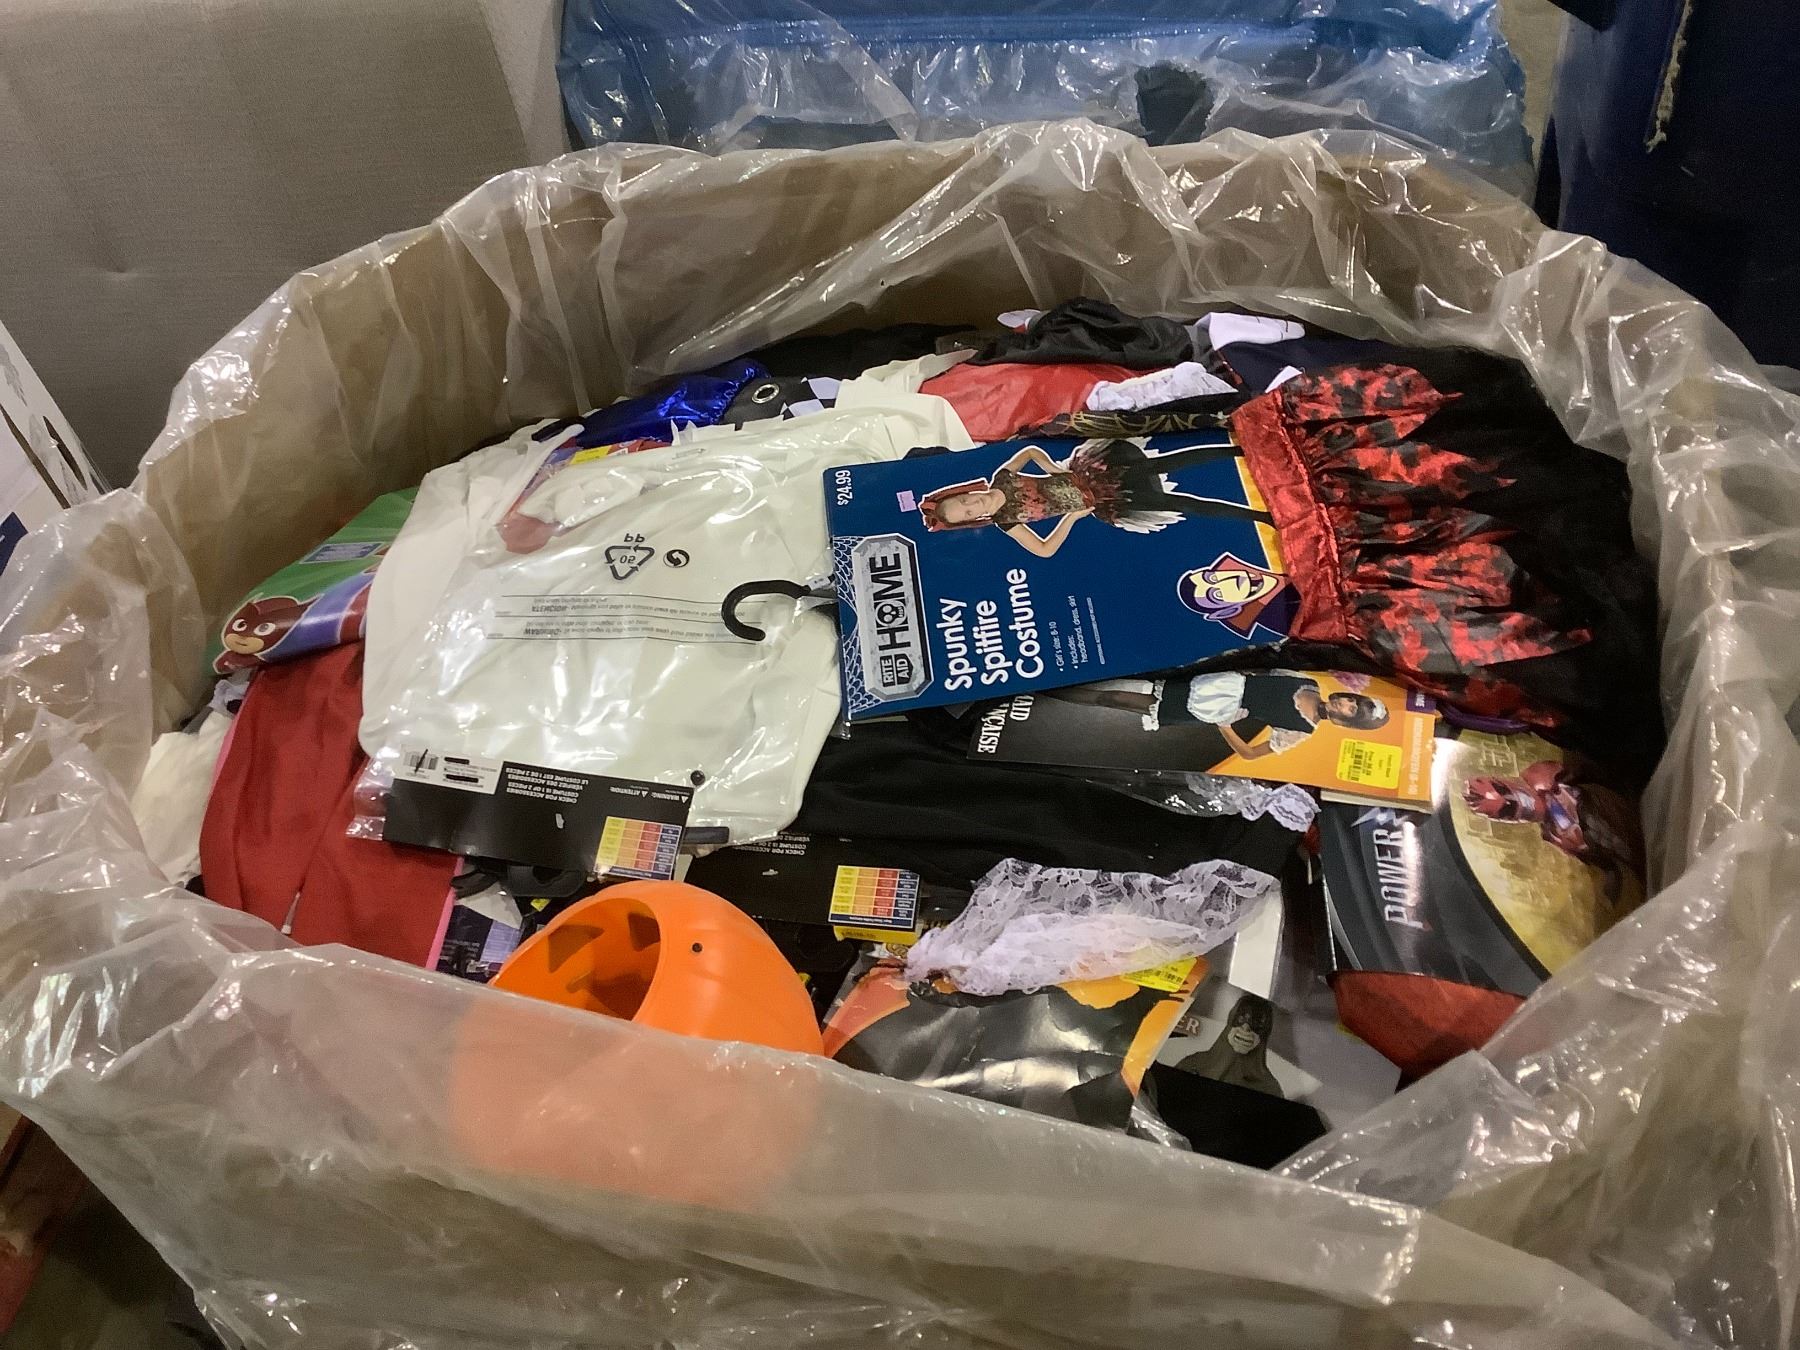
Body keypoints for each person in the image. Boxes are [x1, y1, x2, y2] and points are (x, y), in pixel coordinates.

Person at [918, 437, 1270, 558]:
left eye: (964, 501)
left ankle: (1236, 449)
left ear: (966, 492)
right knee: (1180, 504)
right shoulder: (1006, 522)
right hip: (1102, 502)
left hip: (1095, 474)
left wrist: (1051, 468)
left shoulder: (1002, 476)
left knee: (1165, 463)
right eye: (967, 513)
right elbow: (1044, 550)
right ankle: (1260, 517)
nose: (972, 506)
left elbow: (1028, 452)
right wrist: (1071, 517)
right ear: (973, 521)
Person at [1055, 670, 1389, 753]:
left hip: (1214, 706)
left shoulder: (1302, 730)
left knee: (1116, 699)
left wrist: (1225, 725)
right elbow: (1262, 671)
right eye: (1352, 700)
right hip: (1218, 679)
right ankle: (1054, 680)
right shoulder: (1306, 681)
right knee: (1127, 679)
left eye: (1352, 710)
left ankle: (1046, 692)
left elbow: (1250, 754)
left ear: (1348, 721)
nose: (1346, 704)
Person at [1178, 993, 1284, 1098]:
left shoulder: (1269, 1087)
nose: (1246, 1028)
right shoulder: (1194, 1063)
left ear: (1265, 1032)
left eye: (1257, 1023)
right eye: (1241, 1019)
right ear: (1232, 1020)